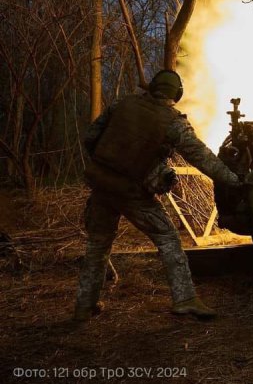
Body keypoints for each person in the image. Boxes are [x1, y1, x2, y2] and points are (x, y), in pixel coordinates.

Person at [74, 70, 240, 322]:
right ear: (177, 95)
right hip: (132, 192)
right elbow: (201, 157)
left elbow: (90, 138)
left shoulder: (123, 104)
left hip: (101, 185)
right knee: (168, 238)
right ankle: (184, 299)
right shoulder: (172, 122)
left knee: (98, 245)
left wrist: (109, 164)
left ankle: (84, 306)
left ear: (152, 87)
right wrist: (234, 180)